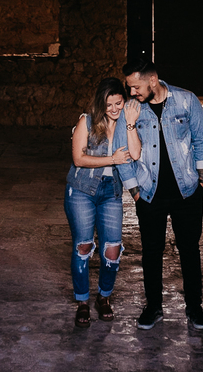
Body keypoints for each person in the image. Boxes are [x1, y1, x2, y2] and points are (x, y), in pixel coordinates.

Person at [121, 59, 203, 331]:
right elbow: (123, 151)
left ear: (152, 81)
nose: (132, 93)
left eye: (135, 87)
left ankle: (194, 308)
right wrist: (134, 190)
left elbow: (200, 140)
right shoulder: (131, 110)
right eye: (129, 88)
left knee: (189, 250)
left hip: (187, 192)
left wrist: (202, 182)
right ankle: (153, 307)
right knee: (151, 252)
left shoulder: (186, 100)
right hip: (149, 194)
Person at [64, 77, 142, 326]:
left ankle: (104, 297)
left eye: (119, 103)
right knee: (84, 246)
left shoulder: (126, 124)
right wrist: (112, 160)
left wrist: (130, 125)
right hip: (82, 191)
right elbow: (78, 159)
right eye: (109, 104)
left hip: (111, 193)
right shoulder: (86, 121)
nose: (114, 109)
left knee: (112, 249)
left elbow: (137, 153)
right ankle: (83, 301)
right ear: (101, 103)